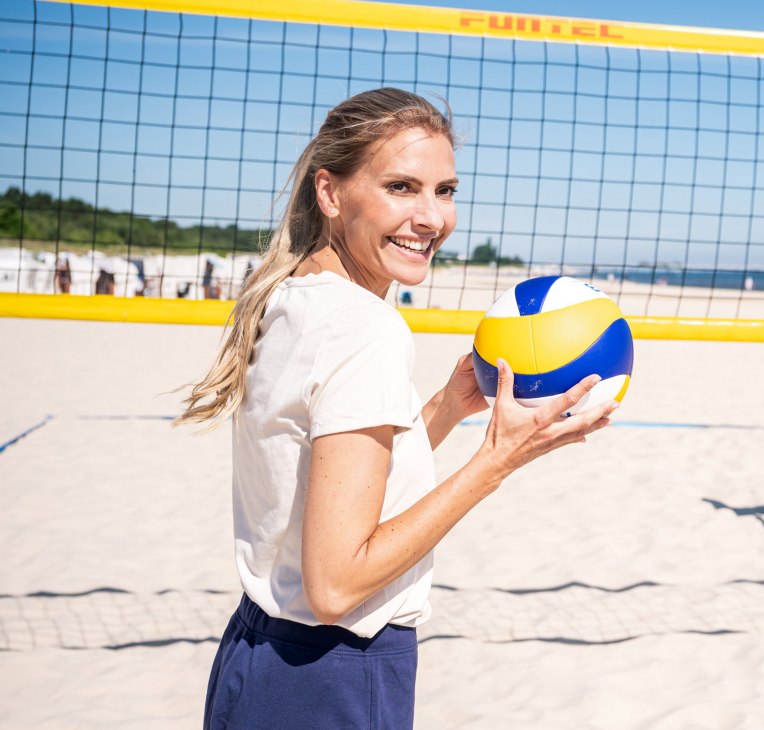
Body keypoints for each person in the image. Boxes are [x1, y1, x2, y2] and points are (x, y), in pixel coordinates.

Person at [176, 88, 616, 729]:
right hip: (331, 674)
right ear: (330, 193)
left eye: (445, 190)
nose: (432, 217)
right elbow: (335, 585)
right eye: (402, 187)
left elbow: (331, 479)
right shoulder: (365, 329)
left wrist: (444, 407)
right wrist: (496, 461)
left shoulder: (293, 295)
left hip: (258, 654)